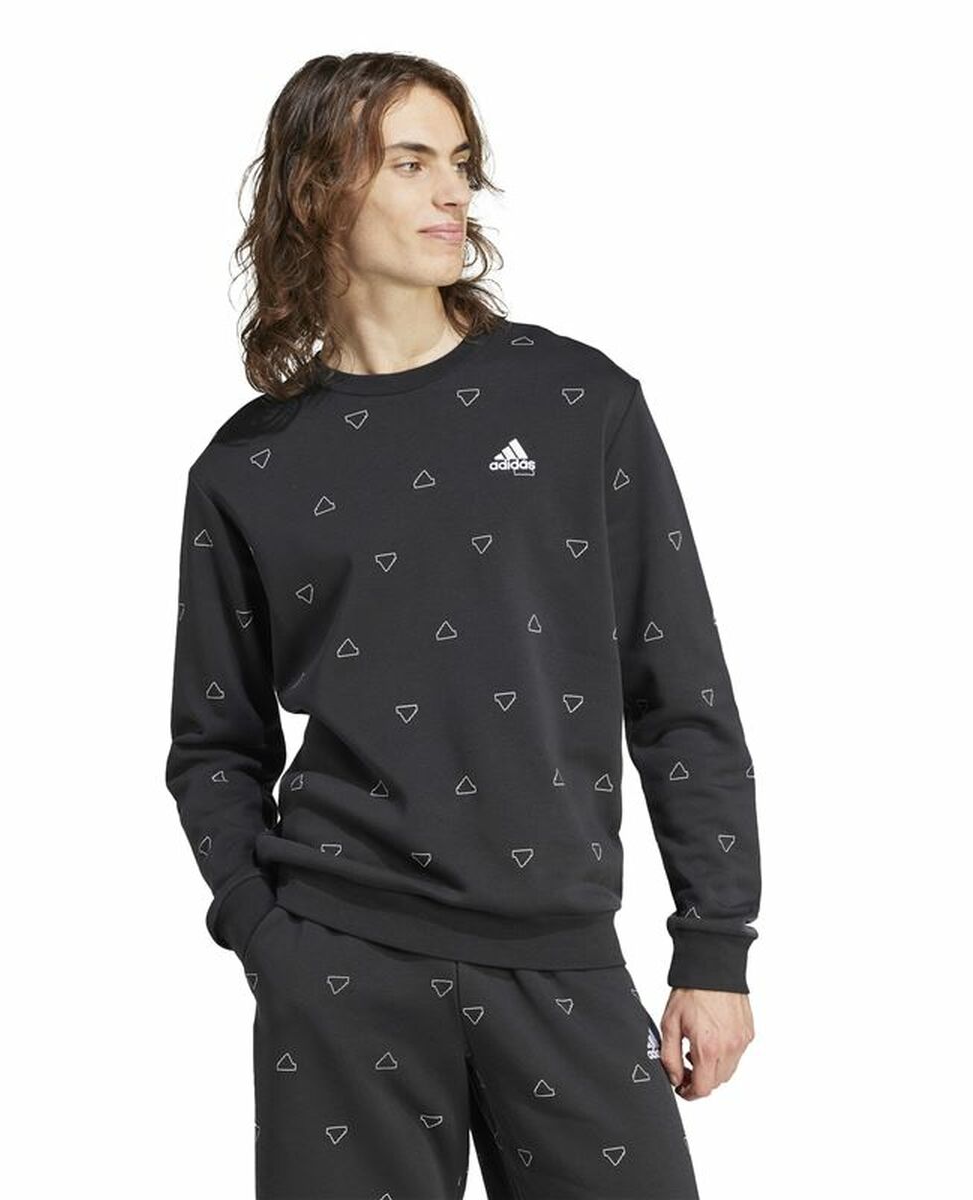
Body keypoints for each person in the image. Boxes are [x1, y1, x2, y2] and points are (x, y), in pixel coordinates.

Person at [165, 51, 760, 1200]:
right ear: (318, 190)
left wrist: (715, 944)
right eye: (411, 162)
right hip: (340, 963)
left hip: (560, 953)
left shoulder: (577, 401)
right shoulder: (248, 467)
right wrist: (267, 938)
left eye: (461, 162)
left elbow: (678, 687)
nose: (454, 191)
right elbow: (213, 743)